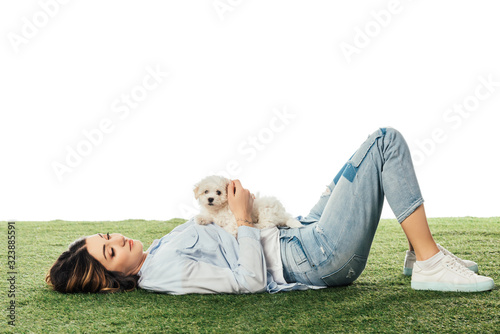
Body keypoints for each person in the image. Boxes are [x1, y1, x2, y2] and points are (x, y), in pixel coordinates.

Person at [45, 127, 495, 294]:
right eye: (109, 252)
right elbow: (249, 281)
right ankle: (430, 264)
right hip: (312, 256)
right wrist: (241, 217)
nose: (118, 240)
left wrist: (248, 212)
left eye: (107, 236)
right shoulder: (163, 273)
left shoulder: (156, 252)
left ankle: (419, 254)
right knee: (385, 142)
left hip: (297, 231)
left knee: (352, 169)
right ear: (108, 282)